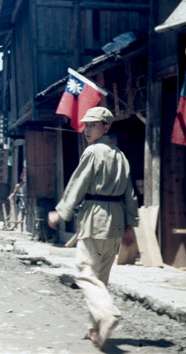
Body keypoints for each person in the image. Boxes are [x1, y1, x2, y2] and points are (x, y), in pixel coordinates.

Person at [47, 107, 139, 349]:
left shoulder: (93, 152)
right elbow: (129, 193)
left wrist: (62, 213)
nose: (87, 129)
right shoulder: (120, 155)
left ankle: (106, 314)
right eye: (85, 125)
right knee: (100, 278)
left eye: (93, 125)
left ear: (106, 127)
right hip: (115, 221)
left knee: (85, 272)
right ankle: (95, 329)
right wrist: (130, 225)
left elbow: (78, 183)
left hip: (96, 218)